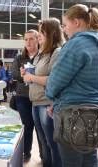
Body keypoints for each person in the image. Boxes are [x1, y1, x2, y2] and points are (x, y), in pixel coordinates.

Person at [45, 4, 98, 167]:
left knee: (71, 162)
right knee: (90, 159)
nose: (64, 30)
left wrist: (52, 98)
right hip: (94, 112)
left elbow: (56, 80)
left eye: (65, 25)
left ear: (76, 22)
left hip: (72, 114)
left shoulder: (76, 44)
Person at [22, 18, 64, 167]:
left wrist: (31, 76)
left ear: (51, 33)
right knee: (43, 141)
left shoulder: (57, 52)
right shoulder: (41, 54)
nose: (39, 35)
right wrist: (27, 74)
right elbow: (35, 76)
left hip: (47, 103)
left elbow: (53, 80)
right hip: (36, 102)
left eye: (42, 32)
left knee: (52, 143)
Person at [12, 29, 43, 162]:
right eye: (26, 39)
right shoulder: (19, 58)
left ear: (38, 40)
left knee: (41, 127)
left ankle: (44, 155)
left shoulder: (43, 56)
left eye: (31, 39)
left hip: (40, 96)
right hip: (23, 97)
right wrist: (24, 75)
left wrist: (32, 76)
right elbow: (14, 75)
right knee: (27, 125)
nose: (28, 42)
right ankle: (26, 153)